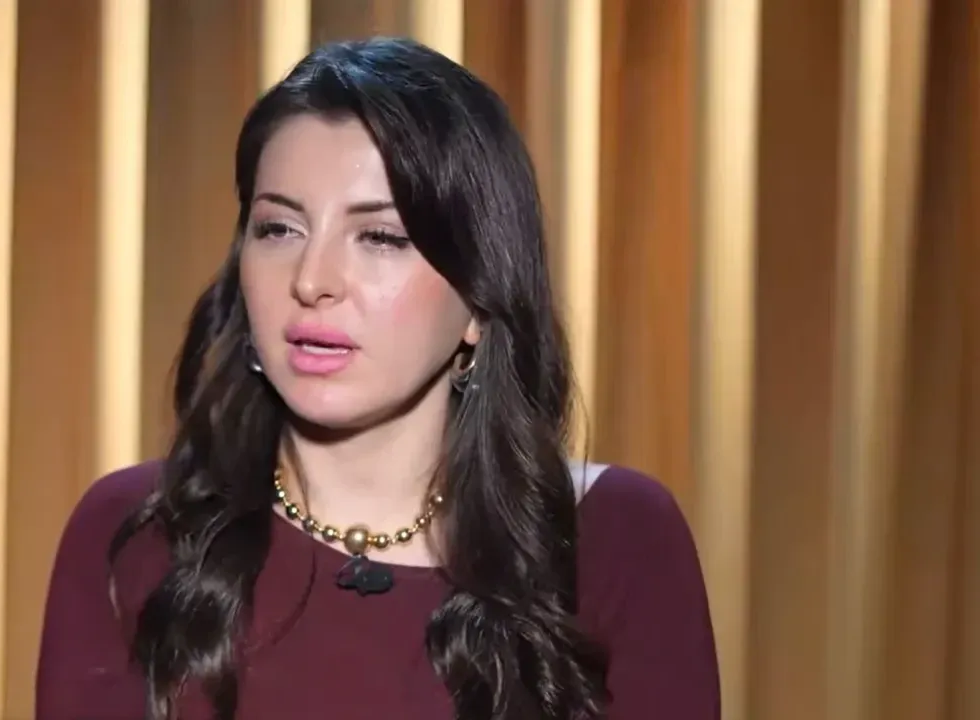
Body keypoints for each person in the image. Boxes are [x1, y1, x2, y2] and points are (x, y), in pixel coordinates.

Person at [36, 37, 719, 719]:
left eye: (381, 238)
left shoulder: (615, 539)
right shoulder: (134, 534)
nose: (311, 281)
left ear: (478, 302)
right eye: (279, 229)